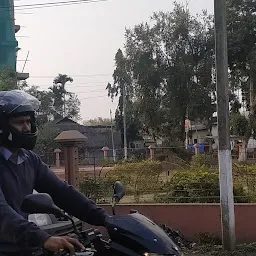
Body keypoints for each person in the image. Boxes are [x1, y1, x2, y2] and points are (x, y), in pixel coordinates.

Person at [0, 90, 109, 256]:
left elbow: (62, 192)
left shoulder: (30, 160)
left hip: (23, 246)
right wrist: (43, 238)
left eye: (28, 122)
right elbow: (2, 213)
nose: (26, 128)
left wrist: (106, 219)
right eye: (19, 122)